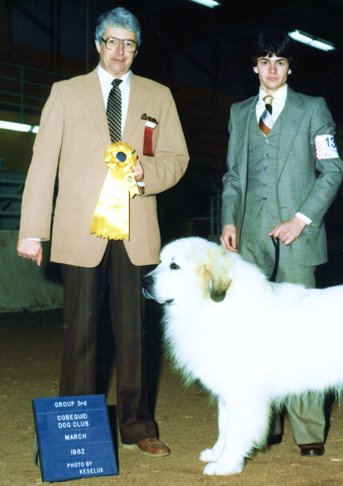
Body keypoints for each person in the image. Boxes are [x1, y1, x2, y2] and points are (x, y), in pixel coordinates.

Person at [16, 7, 189, 457]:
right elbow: (42, 166)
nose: (119, 52)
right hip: (79, 232)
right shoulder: (65, 93)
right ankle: (72, 433)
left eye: (129, 44)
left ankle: (137, 427)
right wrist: (32, 230)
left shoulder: (160, 95)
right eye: (112, 42)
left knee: (133, 336)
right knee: (81, 338)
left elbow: (177, 159)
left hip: (136, 233)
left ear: (137, 48)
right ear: (97, 44)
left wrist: (144, 172)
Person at [220, 29, 343, 457]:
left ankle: (308, 431)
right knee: (252, 336)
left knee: (301, 337)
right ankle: (264, 424)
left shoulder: (314, 109)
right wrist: (228, 222)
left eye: (281, 62)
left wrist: (301, 219)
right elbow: (234, 178)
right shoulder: (239, 113)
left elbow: (331, 170)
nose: (272, 69)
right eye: (265, 61)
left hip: (297, 240)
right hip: (249, 242)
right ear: (255, 66)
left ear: (290, 68)